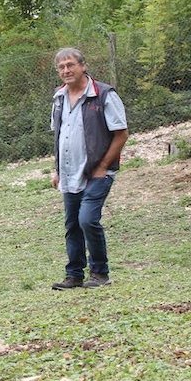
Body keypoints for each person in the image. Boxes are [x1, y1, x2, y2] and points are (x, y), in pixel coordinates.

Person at [49, 47, 128, 290]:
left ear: (83, 66)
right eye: (61, 67)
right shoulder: (59, 98)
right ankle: (74, 275)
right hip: (69, 173)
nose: (66, 70)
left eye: (70, 65)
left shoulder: (103, 95)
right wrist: (57, 170)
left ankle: (100, 274)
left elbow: (121, 133)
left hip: (97, 173)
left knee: (87, 220)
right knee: (72, 224)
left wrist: (103, 166)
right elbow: (60, 136)